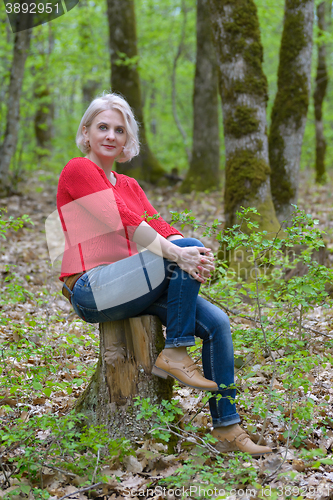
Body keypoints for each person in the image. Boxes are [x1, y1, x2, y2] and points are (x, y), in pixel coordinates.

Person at [57, 92, 272, 456]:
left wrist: (197, 254)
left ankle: (227, 428)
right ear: (87, 133)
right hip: (92, 288)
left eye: (119, 130)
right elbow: (122, 221)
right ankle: (176, 351)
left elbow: (162, 226)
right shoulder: (79, 169)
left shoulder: (129, 185)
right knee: (182, 247)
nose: (111, 135)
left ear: (128, 140)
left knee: (217, 323)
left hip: (131, 287)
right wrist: (178, 251)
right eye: (103, 127)